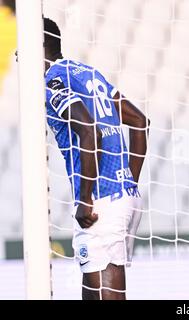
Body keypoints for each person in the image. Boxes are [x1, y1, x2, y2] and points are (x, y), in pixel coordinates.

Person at [43, 18, 149, 300]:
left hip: (100, 202)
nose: (17, 57)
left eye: (21, 50)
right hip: (122, 194)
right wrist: (128, 181)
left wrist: (85, 198)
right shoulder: (87, 73)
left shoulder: (52, 81)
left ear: (38, 46)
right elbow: (139, 121)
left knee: (106, 291)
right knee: (92, 291)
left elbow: (89, 131)